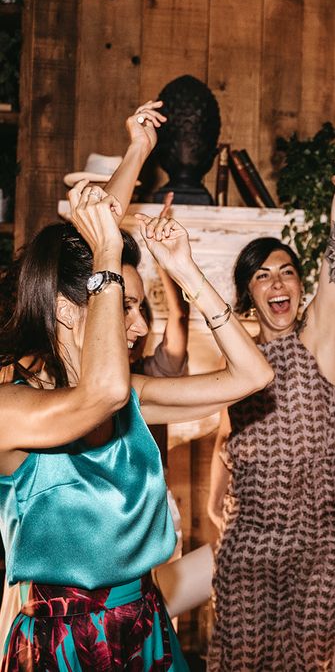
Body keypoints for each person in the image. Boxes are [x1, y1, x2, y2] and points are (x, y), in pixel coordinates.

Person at [0, 115, 274, 668]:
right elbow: (94, 395)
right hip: (63, 645)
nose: (141, 326)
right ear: (65, 312)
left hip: (146, 625)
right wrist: (105, 254)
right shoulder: (10, 406)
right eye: (125, 306)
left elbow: (253, 377)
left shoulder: (127, 393)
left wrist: (186, 271)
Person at [206, 107, 335, 671]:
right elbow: (227, 440)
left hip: (321, 545)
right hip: (249, 548)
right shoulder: (238, 362)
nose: (277, 282)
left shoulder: (318, 342)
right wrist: (213, 506)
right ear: (250, 296)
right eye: (262, 275)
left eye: (287, 272)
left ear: (299, 288)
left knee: (316, 663)